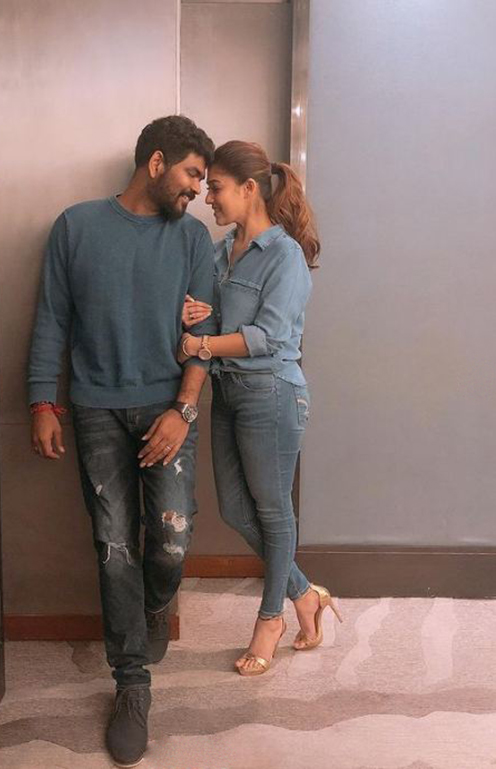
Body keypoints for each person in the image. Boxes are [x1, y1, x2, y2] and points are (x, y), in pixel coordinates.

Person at [28, 115, 216, 767]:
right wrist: (42, 402)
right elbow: (51, 319)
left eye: (205, 181)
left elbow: (203, 337)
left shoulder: (193, 238)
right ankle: (132, 682)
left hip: (169, 408)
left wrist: (182, 411)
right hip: (96, 412)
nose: (198, 190)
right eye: (192, 174)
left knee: (171, 542)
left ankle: (153, 606)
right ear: (156, 163)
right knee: (114, 549)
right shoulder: (75, 227)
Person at [180, 140, 342, 677]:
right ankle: (305, 594)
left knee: (273, 512)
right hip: (228, 392)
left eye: (216, 188)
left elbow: (266, 337)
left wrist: (201, 345)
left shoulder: (285, 255)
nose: (208, 198)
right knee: (235, 510)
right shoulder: (222, 251)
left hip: (271, 393)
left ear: (249, 188)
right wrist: (197, 314)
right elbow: (219, 319)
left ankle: (270, 619)